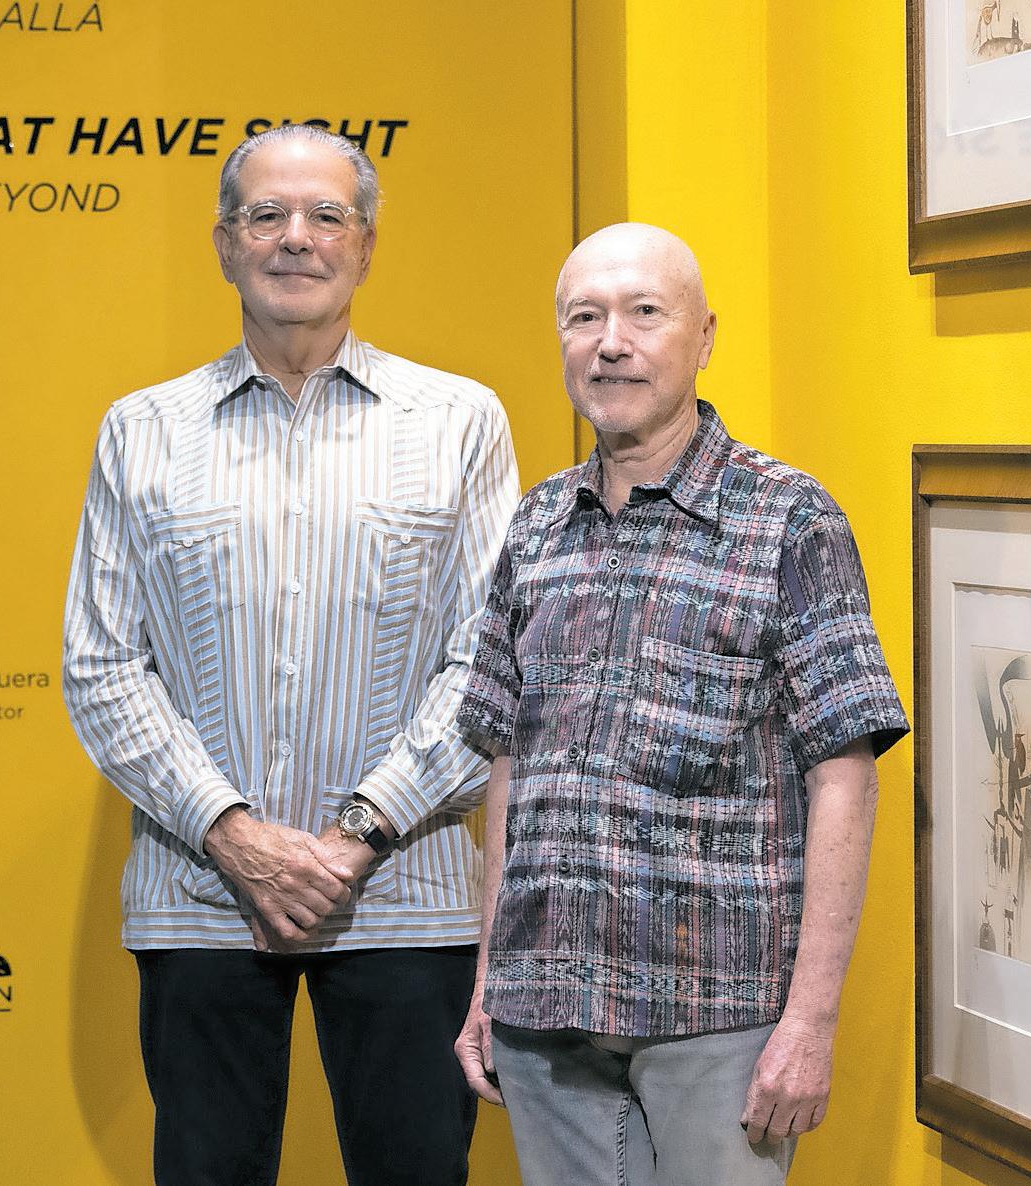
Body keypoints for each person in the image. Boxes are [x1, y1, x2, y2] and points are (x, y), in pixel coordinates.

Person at [62, 124, 518, 1186]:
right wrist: (233, 834)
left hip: (407, 896)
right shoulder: (141, 430)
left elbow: (490, 661)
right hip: (200, 899)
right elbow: (102, 667)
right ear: (225, 244)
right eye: (265, 215)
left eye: (326, 216)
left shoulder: (458, 421)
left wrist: (359, 831)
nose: (295, 238)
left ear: (366, 246)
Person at [452, 223, 908, 1185]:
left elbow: (845, 778)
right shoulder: (536, 525)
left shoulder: (788, 519)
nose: (610, 343)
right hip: (543, 1013)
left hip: (718, 1016)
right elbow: (506, 766)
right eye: (584, 318)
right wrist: (490, 980)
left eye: (644, 314)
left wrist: (810, 1022)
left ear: (703, 337)